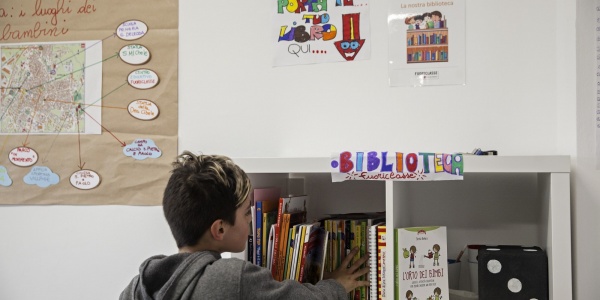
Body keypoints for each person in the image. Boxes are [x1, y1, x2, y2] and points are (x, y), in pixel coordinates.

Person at [120, 151, 370, 300]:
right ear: (219, 229)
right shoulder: (231, 278)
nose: (252, 221)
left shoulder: (136, 287)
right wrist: (338, 285)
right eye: (246, 214)